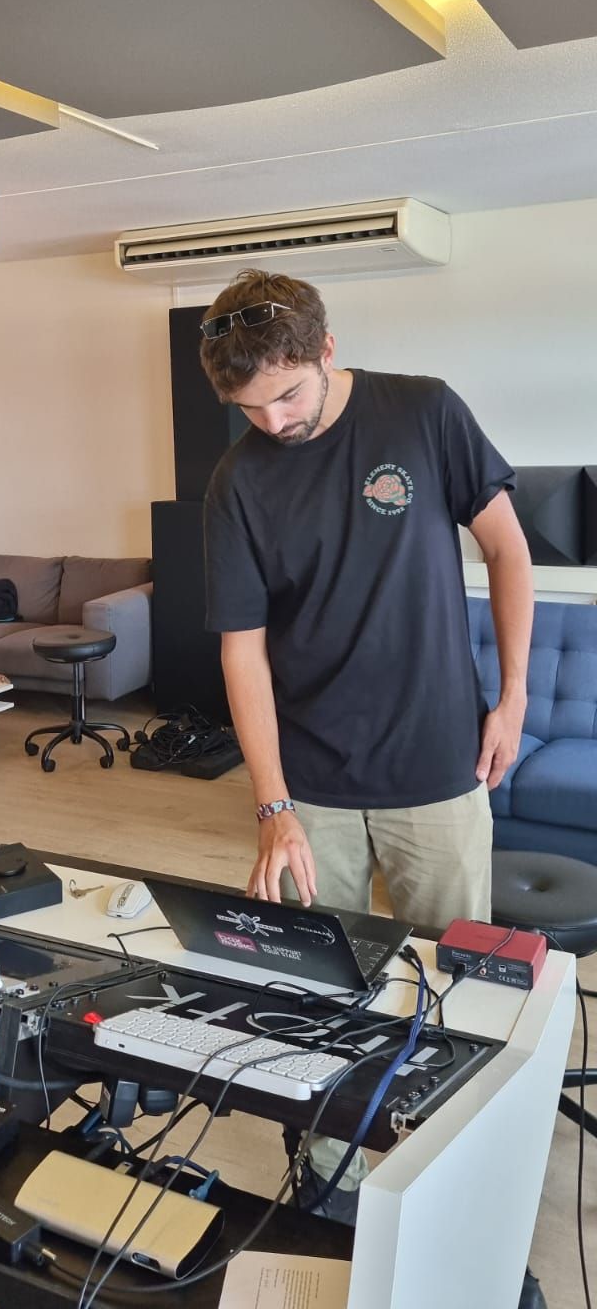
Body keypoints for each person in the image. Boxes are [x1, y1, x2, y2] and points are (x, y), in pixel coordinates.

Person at [199, 269, 543, 1305]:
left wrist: (513, 696)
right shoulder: (239, 481)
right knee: (323, 992)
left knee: (461, 991)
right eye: (250, 407)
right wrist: (272, 807)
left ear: (327, 349)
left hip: (438, 767)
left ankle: (453, 1167)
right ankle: (334, 1178)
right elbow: (243, 651)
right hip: (310, 783)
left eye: (287, 394)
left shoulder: (424, 412)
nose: (273, 421)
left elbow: (507, 547)